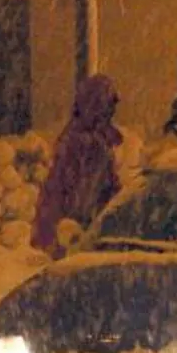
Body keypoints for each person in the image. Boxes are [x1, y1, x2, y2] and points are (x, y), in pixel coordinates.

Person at [31, 74, 124, 259]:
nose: (111, 111)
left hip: (80, 228)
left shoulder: (93, 139)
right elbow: (77, 193)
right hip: (72, 230)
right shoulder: (84, 144)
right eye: (107, 105)